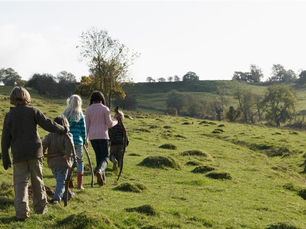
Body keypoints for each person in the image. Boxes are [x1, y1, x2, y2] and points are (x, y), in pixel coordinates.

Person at [1, 86, 67, 221]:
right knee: (37, 181)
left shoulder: (9, 116)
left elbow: (5, 138)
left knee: (20, 184)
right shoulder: (33, 111)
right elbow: (48, 124)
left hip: (19, 154)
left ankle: (21, 214)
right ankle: (41, 209)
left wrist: (6, 157)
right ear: (27, 98)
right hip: (35, 153)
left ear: (13, 99)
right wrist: (62, 129)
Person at [85, 91, 117, 186]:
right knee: (106, 158)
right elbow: (110, 124)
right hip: (103, 136)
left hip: (92, 136)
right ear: (101, 99)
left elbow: (86, 126)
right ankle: (99, 170)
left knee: (99, 157)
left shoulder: (88, 110)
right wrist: (116, 120)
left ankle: (102, 180)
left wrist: (85, 139)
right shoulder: (105, 109)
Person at [42, 115, 75, 204]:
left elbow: (43, 145)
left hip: (52, 162)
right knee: (61, 181)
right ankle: (56, 198)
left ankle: (68, 195)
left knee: (60, 180)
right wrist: (68, 156)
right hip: (63, 162)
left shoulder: (49, 135)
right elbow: (70, 146)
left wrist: (42, 152)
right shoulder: (67, 135)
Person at [63, 95, 86, 190]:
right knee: (80, 161)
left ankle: (70, 182)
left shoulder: (65, 114)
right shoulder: (80, 114)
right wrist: (85, 140)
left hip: (68, 141)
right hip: (78, 141)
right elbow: (83, 129)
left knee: (70, 161)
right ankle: (80, 185)